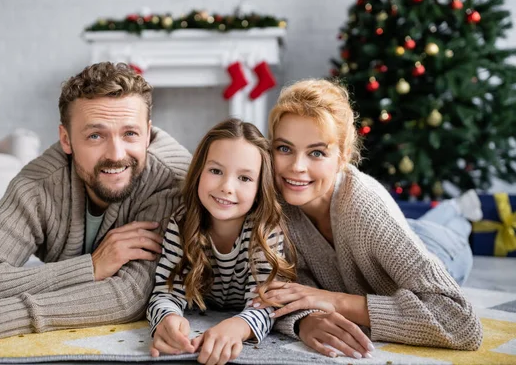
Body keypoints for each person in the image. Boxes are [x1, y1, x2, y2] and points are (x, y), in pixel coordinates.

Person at [0, 62, 191, 343]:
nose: (116, 154)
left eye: (130, 134)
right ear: (66, 139)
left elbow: (129, 295)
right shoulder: (39, 184)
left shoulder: (170, 182)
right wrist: (91, 267)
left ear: (148, 133)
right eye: (95, 135)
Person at [250, 79, 484, 359]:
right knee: (420, 222)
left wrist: (334, 301)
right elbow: (284, 291)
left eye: (316, 153)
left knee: (453, 227)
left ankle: (459, 211)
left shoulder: (365, 207)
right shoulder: (273, 199)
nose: (297, 167)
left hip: (444, 249)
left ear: (343, 157)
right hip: (400, 233)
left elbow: (462, 324)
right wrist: (305, 320)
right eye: (284, 149)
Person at [147, 118, 296, 365]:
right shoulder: (183, 222)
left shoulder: (265, 229)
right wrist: (167, 318)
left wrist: (238, 326)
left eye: (245, 178)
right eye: (216, 171)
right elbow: (166, 290)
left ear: (260, 187)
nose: (227, 187)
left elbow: (268, 303)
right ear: (199, 173)